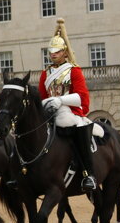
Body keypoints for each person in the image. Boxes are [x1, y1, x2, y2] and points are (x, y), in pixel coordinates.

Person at [40, 19, 97, 191]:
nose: (53, 54)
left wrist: (60, 100)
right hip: (49, 111)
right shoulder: (45, 73)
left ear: (65, 52)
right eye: (51, 52)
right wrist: (47, 103)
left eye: (56, 51)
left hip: (68, 111)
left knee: (75, 127)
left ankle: (89, 174)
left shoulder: (74, 70)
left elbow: (81, 97)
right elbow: (42, 96)